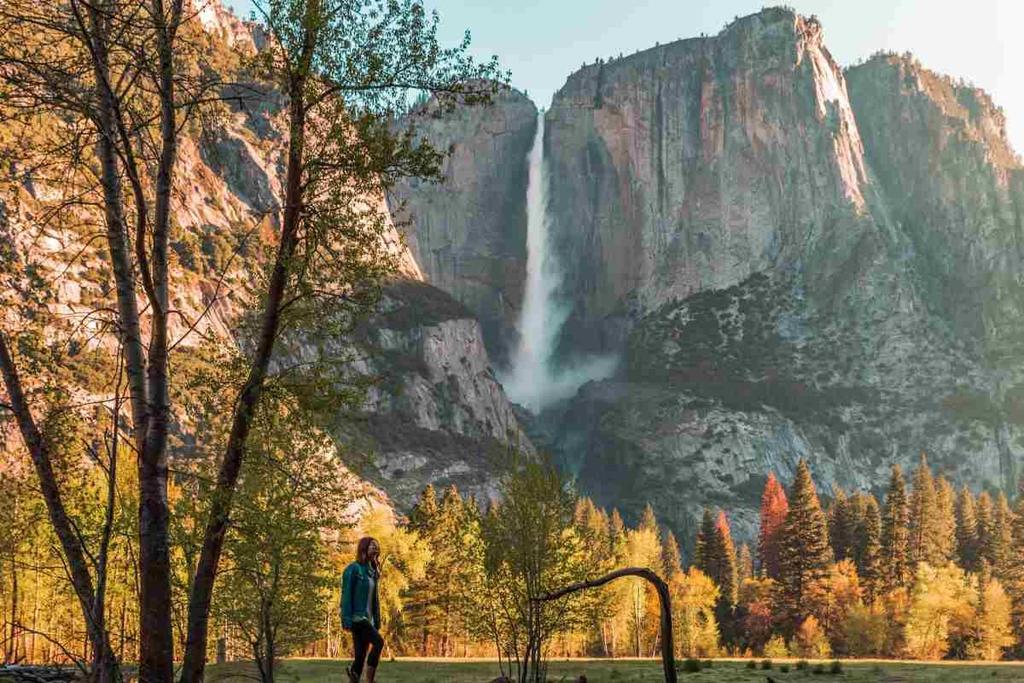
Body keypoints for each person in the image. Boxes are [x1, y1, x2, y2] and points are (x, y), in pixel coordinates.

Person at [341, 537, 384, 682]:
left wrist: (377, 620)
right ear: (364, 548)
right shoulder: (353, 569)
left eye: (377, 546)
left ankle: (353, 679)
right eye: (372, 545)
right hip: (357, 618)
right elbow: (346, 595)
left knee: (360, 656)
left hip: (369, 619)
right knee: (379, 642)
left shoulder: (372, 572)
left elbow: (374, 600)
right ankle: (369, 681)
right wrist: (346, 619)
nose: (375, 548)